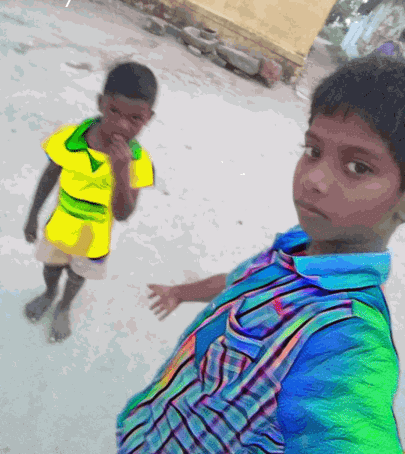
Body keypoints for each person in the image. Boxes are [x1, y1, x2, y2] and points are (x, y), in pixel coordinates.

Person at [117, 54, 404, 453]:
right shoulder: (298, 244)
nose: (315, 179)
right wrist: (181, 293)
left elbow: (346, 430)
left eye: (358, 167)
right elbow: (241, 283)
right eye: (313, 150)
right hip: (152, 431)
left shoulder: (348, 338)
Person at [23, 61, 157, 343]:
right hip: (60, 227)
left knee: (77, 276)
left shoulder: (138, 163)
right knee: (50, 267)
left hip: (94, 240)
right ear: (100, 103)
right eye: (114, 111)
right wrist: (33, 215)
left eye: (135, 119)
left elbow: (122, 214)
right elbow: (49, 177)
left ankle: (64, 306)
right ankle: (49, 293)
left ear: (149, 118)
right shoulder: (68, 139)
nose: (122, 125)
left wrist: (121, 172)